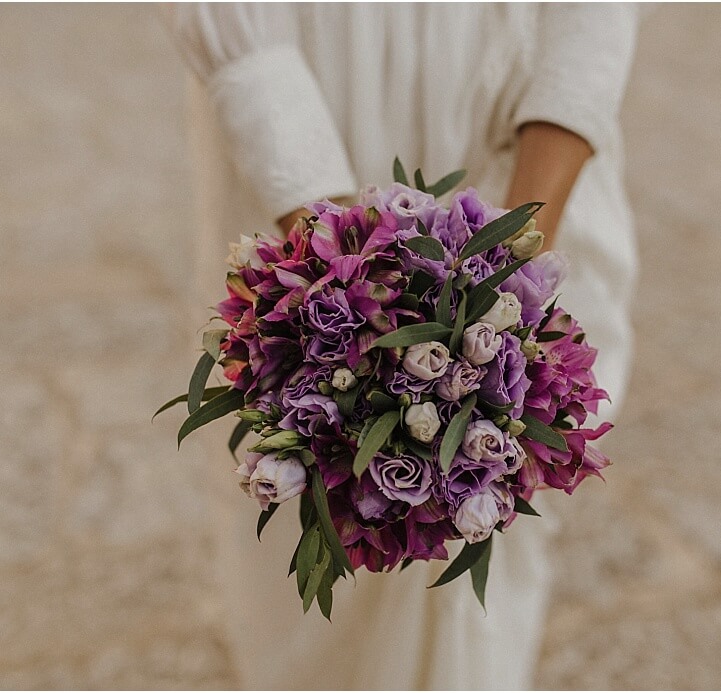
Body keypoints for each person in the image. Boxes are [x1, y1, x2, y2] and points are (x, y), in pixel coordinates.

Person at [162, 4, 638, 688]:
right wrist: (342, 278)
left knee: (494, 542)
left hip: (518, 127)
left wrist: (510, 270)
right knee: (311, 559)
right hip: (310, 97)